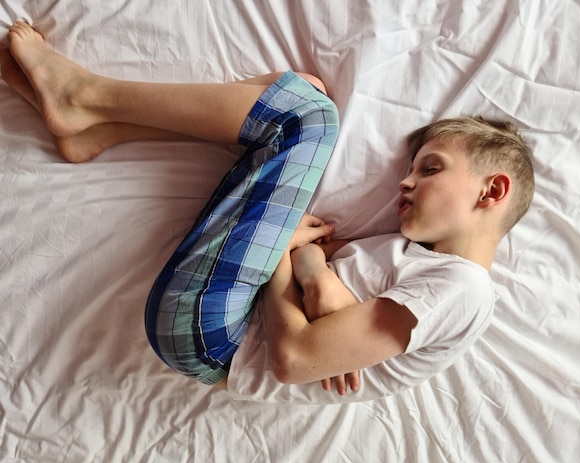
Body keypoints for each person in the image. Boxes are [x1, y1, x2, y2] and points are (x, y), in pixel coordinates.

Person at [2, 22, 534, 402]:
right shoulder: (415, 262)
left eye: (431, 169)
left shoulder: (463, 290)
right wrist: (310, 271)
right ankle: (97, 129)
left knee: (309, 117)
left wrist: (292, 260)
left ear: (491, 192)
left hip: (215, 336)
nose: (406, 180)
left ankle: (86, 95)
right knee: (301, 93)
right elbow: (319, 296)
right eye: (415, 168)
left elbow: (295, 359)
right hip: (218, 318)